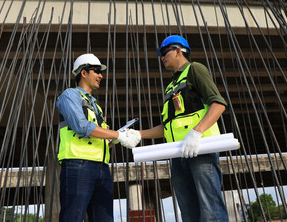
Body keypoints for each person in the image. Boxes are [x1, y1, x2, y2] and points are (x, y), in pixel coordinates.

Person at [139, 35, 229, 221]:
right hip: (179, 153)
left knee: (210, 207)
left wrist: (197, 132)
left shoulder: (195, 70)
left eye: (164, 52)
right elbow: (168, 127)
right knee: (188, 211)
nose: (162, 58)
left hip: (201, 149)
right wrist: (138, 134)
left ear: (179, 51)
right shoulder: (171, 86)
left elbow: (218, 104)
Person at [56, 53, 141, 222]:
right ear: (83, 73)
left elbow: (99, 138)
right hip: (77, 165)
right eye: (96, 71)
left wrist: (114, 140)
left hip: (102, 169)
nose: (101, 75)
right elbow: (81, 127)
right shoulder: (70, 95)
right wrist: (118, 135)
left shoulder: (95, 105)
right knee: (72, 218)